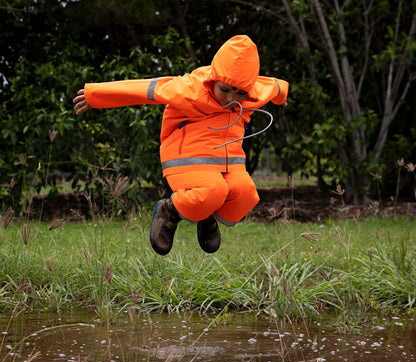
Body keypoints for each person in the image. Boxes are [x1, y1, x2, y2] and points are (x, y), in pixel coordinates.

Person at [73, 35, 288, 256]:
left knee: (246, 193)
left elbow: (276, 87)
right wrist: (95, 96)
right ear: (214, 79)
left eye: (240, 93)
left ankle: (208, 216)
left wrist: (281, 98)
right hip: (187, 157)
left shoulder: (252, 91)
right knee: (213, 191)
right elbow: (144, 89)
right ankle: (170, 210)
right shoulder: (189, 89)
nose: (230, 99)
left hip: (227, 161)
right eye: (224, 90)